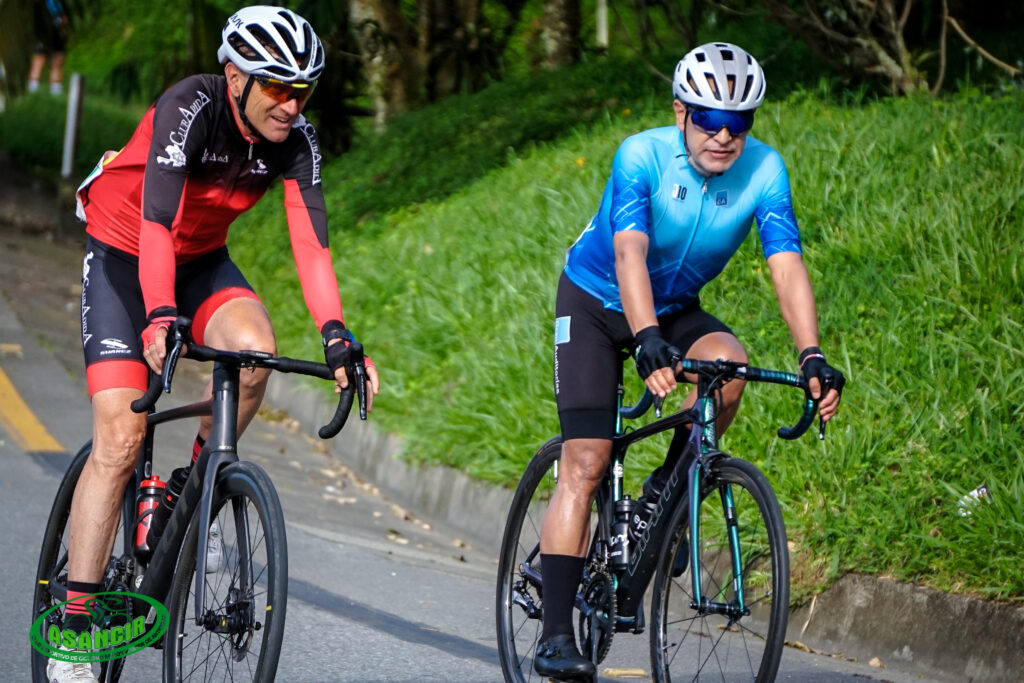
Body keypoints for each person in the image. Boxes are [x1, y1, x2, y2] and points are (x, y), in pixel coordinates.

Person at [48, 6, 380, 681]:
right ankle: (74, 630)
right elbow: (157, 223)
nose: (291, 104)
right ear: (235, 77)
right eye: (277, 87)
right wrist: (159, 316)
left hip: (200, 261)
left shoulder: (296, 139)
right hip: (124, 255)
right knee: (119, 437)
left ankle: (188, 488)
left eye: (302, 90)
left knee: (254, 352)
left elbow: (312, 244)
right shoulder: (189, 107)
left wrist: (337, 335)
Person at [535, 42, 845, 679]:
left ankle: (662, 496)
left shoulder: (765, 170)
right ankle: (556, 634)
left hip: (674, 305)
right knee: (587, 461)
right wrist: (646, 337)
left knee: (728, 368)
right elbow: (629, 252)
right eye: (709, 119)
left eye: (739, 122)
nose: (724, 136)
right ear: (681, 111)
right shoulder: (641, 155)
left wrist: (812, 354)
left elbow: (785, 264)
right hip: (595, 303)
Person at [28, 0, 70, 95]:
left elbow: (65, 14)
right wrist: (38, 38)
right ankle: (33, 88)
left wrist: (65, 22)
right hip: (43, 35)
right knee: (40, 58)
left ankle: (56, 88)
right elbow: (34, 20)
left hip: (57, 33)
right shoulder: (38, 3)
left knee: (58, 59)